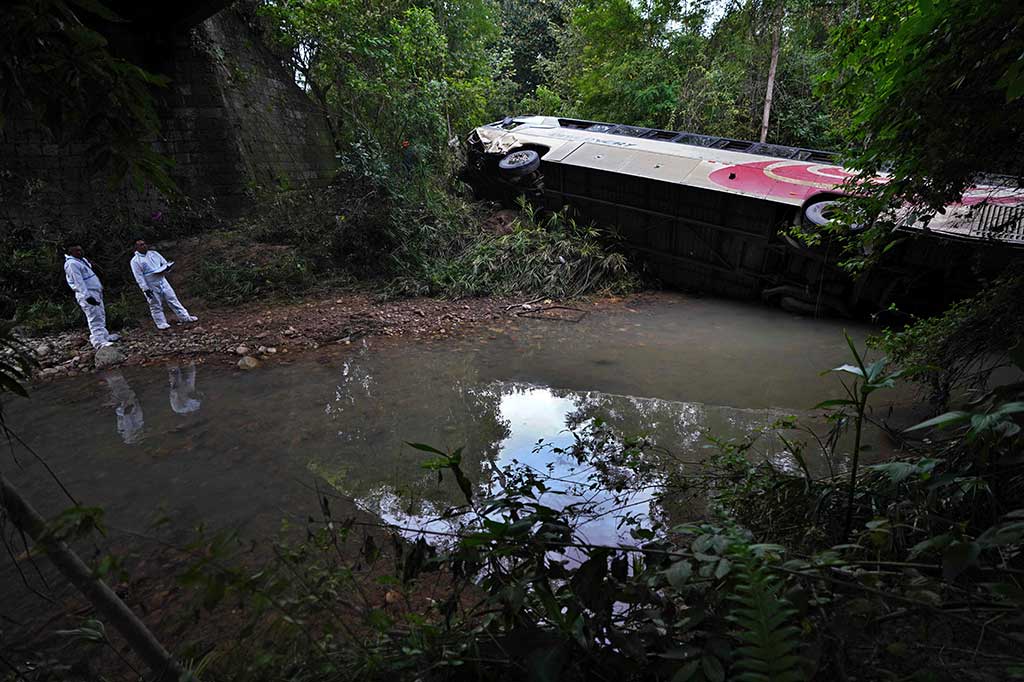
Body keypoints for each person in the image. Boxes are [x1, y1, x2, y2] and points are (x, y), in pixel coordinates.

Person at [130, 239, 197, 330]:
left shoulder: (154, 253)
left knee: (172, 298)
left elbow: (164, 263)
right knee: (155, 303)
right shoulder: (135, 261)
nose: (144, 246)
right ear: (136, 248)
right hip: (150, 283)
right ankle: (161, 323)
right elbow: (138, 276)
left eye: (144, 244)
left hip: (162, 279)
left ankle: (185, 317)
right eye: (141, 245)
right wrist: (145, 288)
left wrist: (167, 268)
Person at [64, 245, 119, 349]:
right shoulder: (72, 264)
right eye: (77, 251)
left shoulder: (82, 261)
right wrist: (87, 296)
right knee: (94, 316)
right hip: (87, 293)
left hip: (95, 291)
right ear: (71, 252)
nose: (80, 252)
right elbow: (78, 281)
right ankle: (98, 341)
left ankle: (104, 335)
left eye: (81, 250)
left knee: (100, 314)